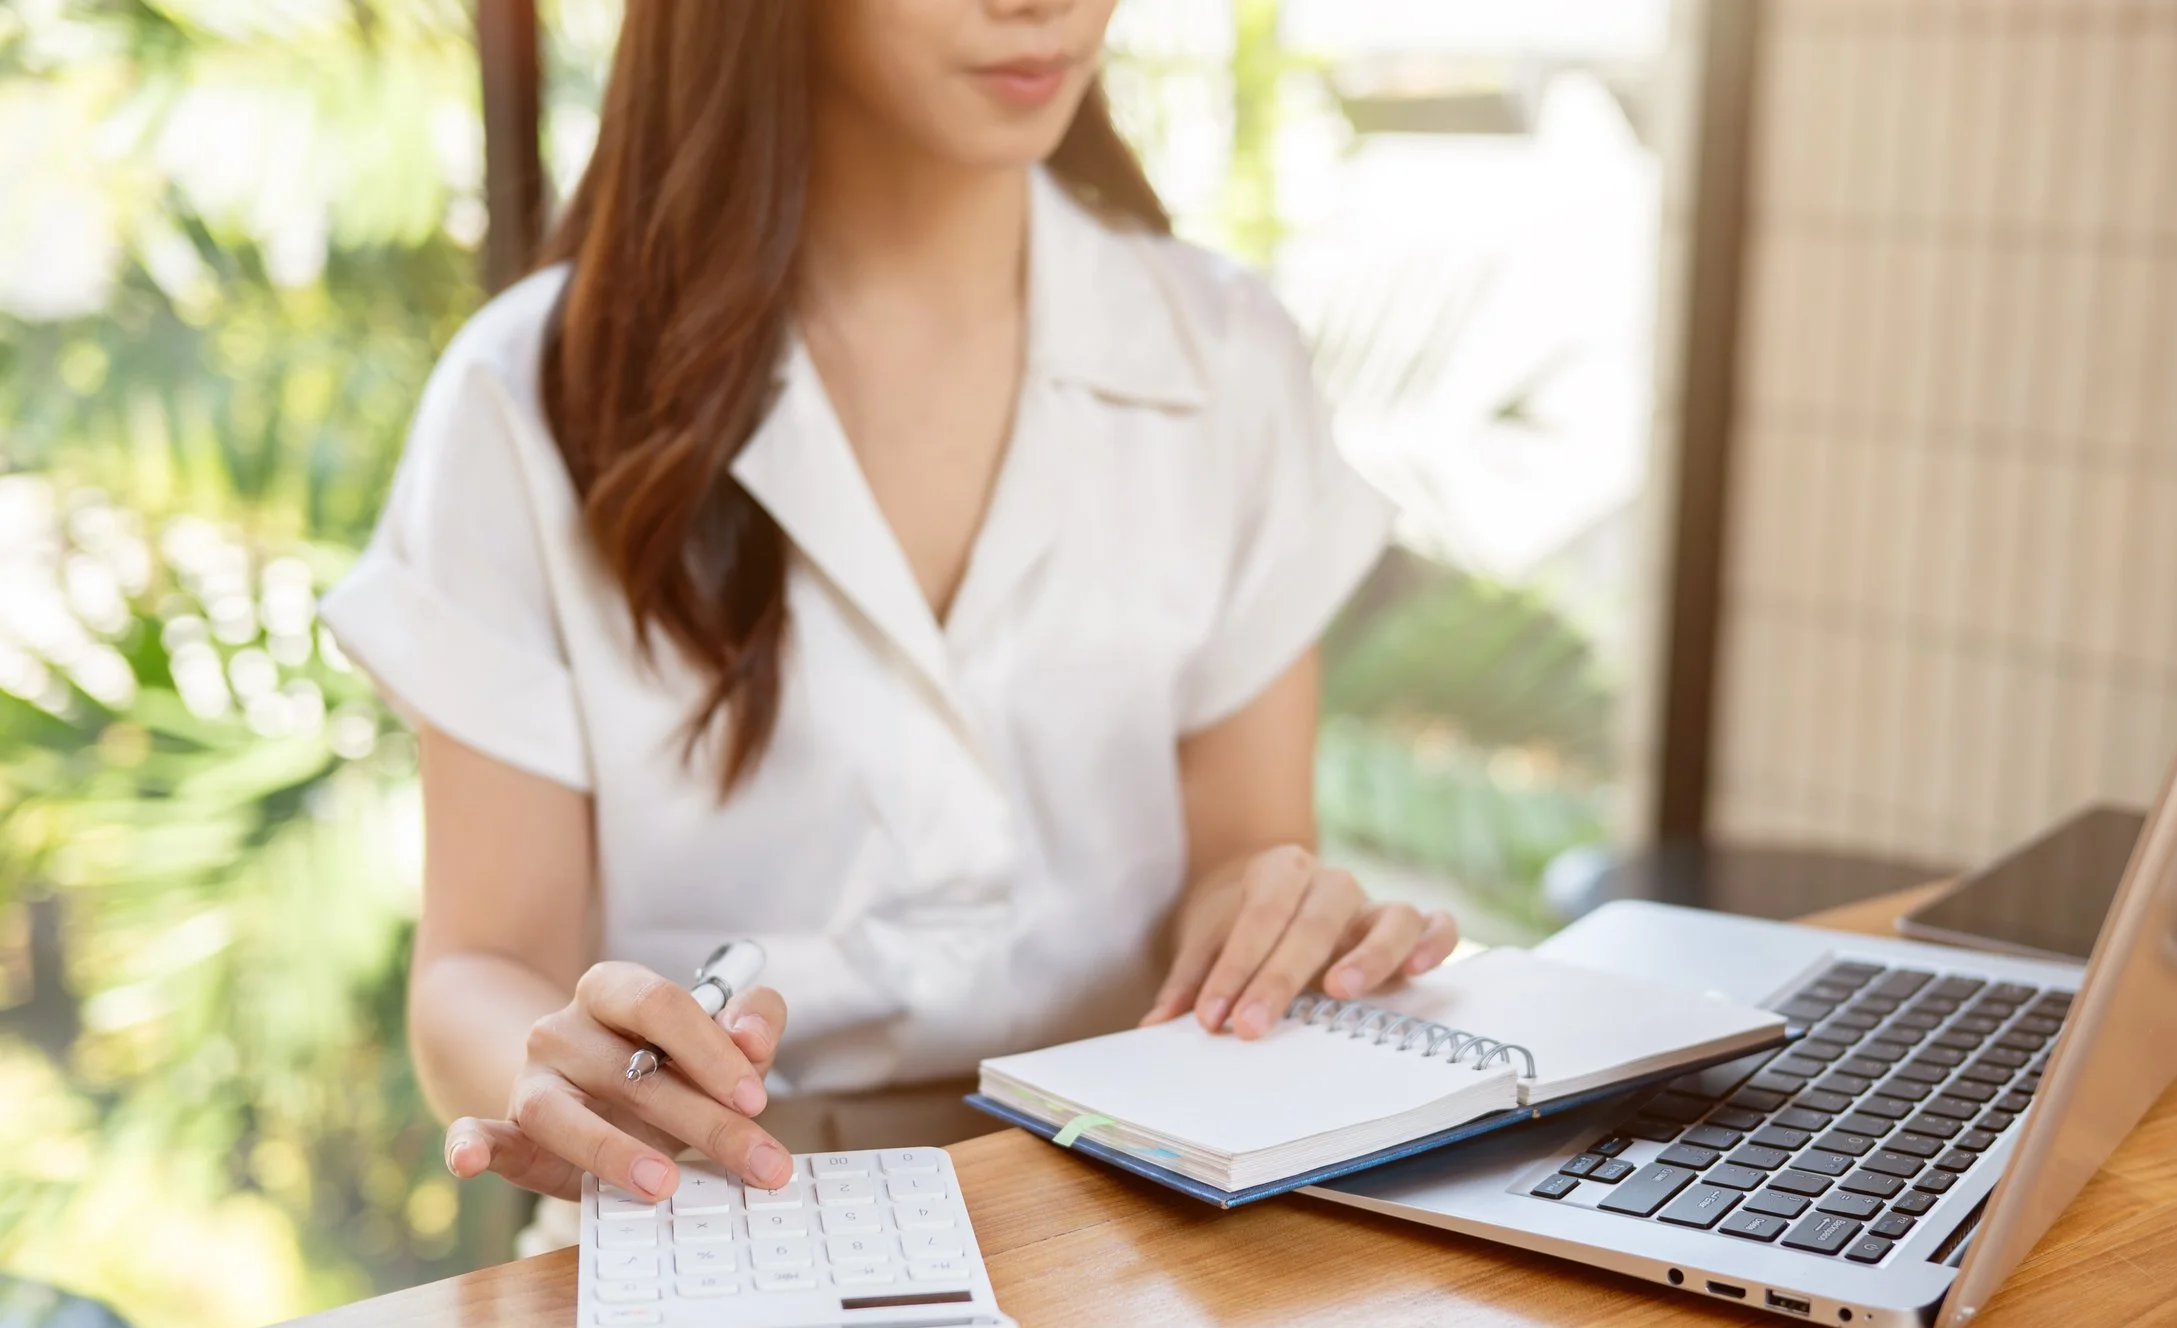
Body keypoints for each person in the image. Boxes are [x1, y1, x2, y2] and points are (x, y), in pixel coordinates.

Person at [322, 0, 1458, 1208]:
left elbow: (1240, 854)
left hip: (1141, 1197)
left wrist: (1275, 925)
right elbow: (480, 967)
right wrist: (561, 1074)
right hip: (710, 1201)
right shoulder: (527, 392)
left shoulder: (1225, 353)